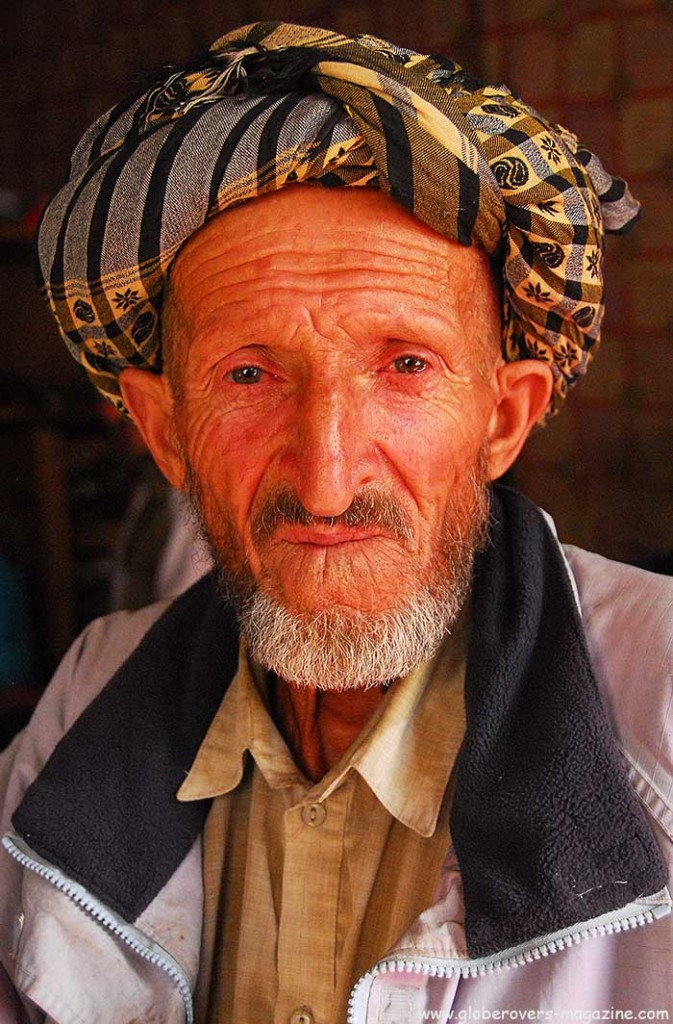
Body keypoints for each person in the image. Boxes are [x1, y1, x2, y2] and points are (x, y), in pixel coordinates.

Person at [1, 22, 672, 1024]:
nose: (323, 478)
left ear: (504, 418)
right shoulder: (88, 701)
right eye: (247, 375)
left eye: (404, 365)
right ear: (164, 429)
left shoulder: (661, 711)